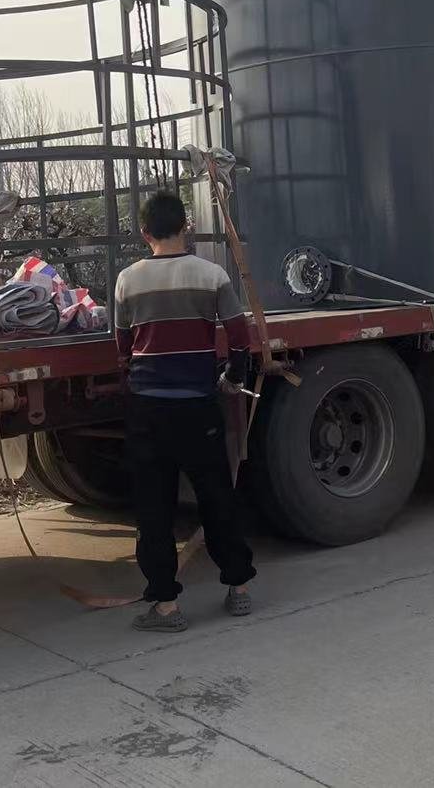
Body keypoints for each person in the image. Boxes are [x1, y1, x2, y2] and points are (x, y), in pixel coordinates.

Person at [113, 189, 257, 632]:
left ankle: (166, 606)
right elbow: (240, 339)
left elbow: (122, 347)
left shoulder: (127, 280)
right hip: (198, 406)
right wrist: (231, 379)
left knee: (154, 508)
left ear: (144, 233)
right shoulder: (212, 275)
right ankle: (238, 587)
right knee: (216, 496)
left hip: (148, 411)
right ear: (186, 228)